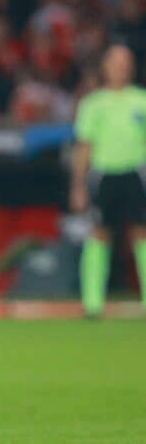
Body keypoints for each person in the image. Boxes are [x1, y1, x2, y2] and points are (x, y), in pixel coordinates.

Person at [70, 45, 146, 317]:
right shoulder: (93, 104)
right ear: (105, 67)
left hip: (136, 175)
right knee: (100, 234)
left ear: (132, 68)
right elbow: (84, 147)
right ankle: (93, 303)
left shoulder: (141, 100)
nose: (120, 68)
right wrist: (78, 186)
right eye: (115, 62)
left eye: (125, 63)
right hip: (104, 176)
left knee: (141, 234)